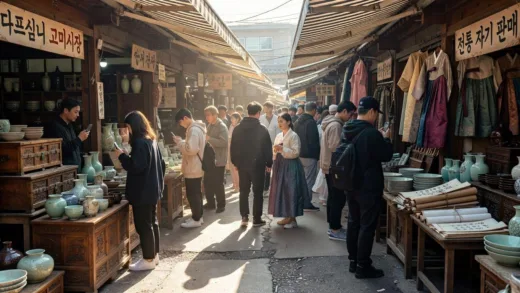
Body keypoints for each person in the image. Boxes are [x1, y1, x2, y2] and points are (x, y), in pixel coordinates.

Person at [343, 96, 393, 279]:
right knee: (366, 226)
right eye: (375, 114)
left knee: (353, 223)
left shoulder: (347, 128)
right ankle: (363, 266)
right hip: (368, 187)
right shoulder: (371, 133)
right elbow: (386, 155)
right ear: (372, 112)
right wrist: (386, 139)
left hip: (350, 184)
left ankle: (353, 262)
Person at [115, 111, 165, 271]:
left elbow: (136, 167)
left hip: (142, 191)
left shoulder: (139, 143)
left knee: (144, 225)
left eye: (128, 127)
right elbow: (161, 164)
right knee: (152, 223)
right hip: (152, 189)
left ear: (132, 126)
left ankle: (148, 259)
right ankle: (154, 255)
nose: (127, 131)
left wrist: (122, 157)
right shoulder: (151, 140)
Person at [230, 102, 273, 228]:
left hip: (242, 165)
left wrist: (235, 162)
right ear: (258, 113)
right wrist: (269, 163)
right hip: (258, 165)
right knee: (257, 192)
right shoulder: (262, 129)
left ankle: (244, 217)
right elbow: (267, 148)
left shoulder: (237, 128)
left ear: (247, 112)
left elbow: (233, 147)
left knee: (243, 191)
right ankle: (257, 218)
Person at [320, 101, 357, 241]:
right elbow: (336, 147)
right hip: (334, 166)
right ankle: (335, 229)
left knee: (333, 197)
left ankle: (333, 226)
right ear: (344, 111)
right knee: (338, 198)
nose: (351, 117)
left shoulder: (331, 122)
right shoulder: (336, 125)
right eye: (351, 114)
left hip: (328, 165)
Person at [268, 113, 306, 229]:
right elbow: (275, 149)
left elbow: (296, 152)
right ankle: (287, 216)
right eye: (278, 121)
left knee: (291, 191)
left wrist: (282, 148)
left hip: (291, 166)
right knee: (283, 190)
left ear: (289, 122)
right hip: (280, 164)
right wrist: (276, 151)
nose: (279, 124)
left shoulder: (293, 135)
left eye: (282, 121)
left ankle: (292, 219)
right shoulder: (279, 135)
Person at [174, 109, 207, 228]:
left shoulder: (193, 130)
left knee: (193, 194)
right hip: (196, 165)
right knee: (196, 193)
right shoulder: (197, 128)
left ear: (185, 118)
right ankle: (198, 216)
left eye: (180, 122)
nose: (181, 125)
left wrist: (180, 143)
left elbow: (191, 149)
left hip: (193, 166)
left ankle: (196, 219)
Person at [45, 99, 89, 168]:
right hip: (65, 169)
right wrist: (79, 139)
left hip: (75, 167)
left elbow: (74, 148)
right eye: (75, 112)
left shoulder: (69, 125)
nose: (78, 115)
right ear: (66, 110)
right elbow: (63, 150)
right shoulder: (55, 126)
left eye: (78, 112)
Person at [293, 102, 321, 212]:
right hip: (309, 155)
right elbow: (313, 141)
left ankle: (301, 201)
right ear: (314, 110)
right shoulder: (311, 122)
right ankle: (306, 202)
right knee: (309, 180)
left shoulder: (297, 121)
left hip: (299, 154)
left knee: (301, 179)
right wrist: (317, 155)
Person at [203, 106, 229, 213]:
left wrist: (210, 139)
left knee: (218, 183)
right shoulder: (210, 125)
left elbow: (223, 142)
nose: (207, 117)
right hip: (210, 159)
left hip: (219, 159)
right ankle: (210, 203)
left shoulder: (222, 126)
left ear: (215, 115)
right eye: (206, 115)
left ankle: (221, 204)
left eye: (208, 115)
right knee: (208, 182)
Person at [259, 101, 281, 197]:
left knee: (274, 167)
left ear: (271, 108)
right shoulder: (261, 118)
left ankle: (274, 187)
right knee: (265, 168)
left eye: (266, 107)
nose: (265, 109)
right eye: (264, 108)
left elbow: (279, 133)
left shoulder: (277, 119)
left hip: (274, 146)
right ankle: (265, 187)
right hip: (262, 146)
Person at [228, 113, 242, 192]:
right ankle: (234, 184)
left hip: (236, 150)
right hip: (230, 148)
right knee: (231, 167)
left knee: (235, 168)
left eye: (232, 118)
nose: (231, 120)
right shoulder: (231, 126)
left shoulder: (239, 127)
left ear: (237, 119)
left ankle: (238, 186)